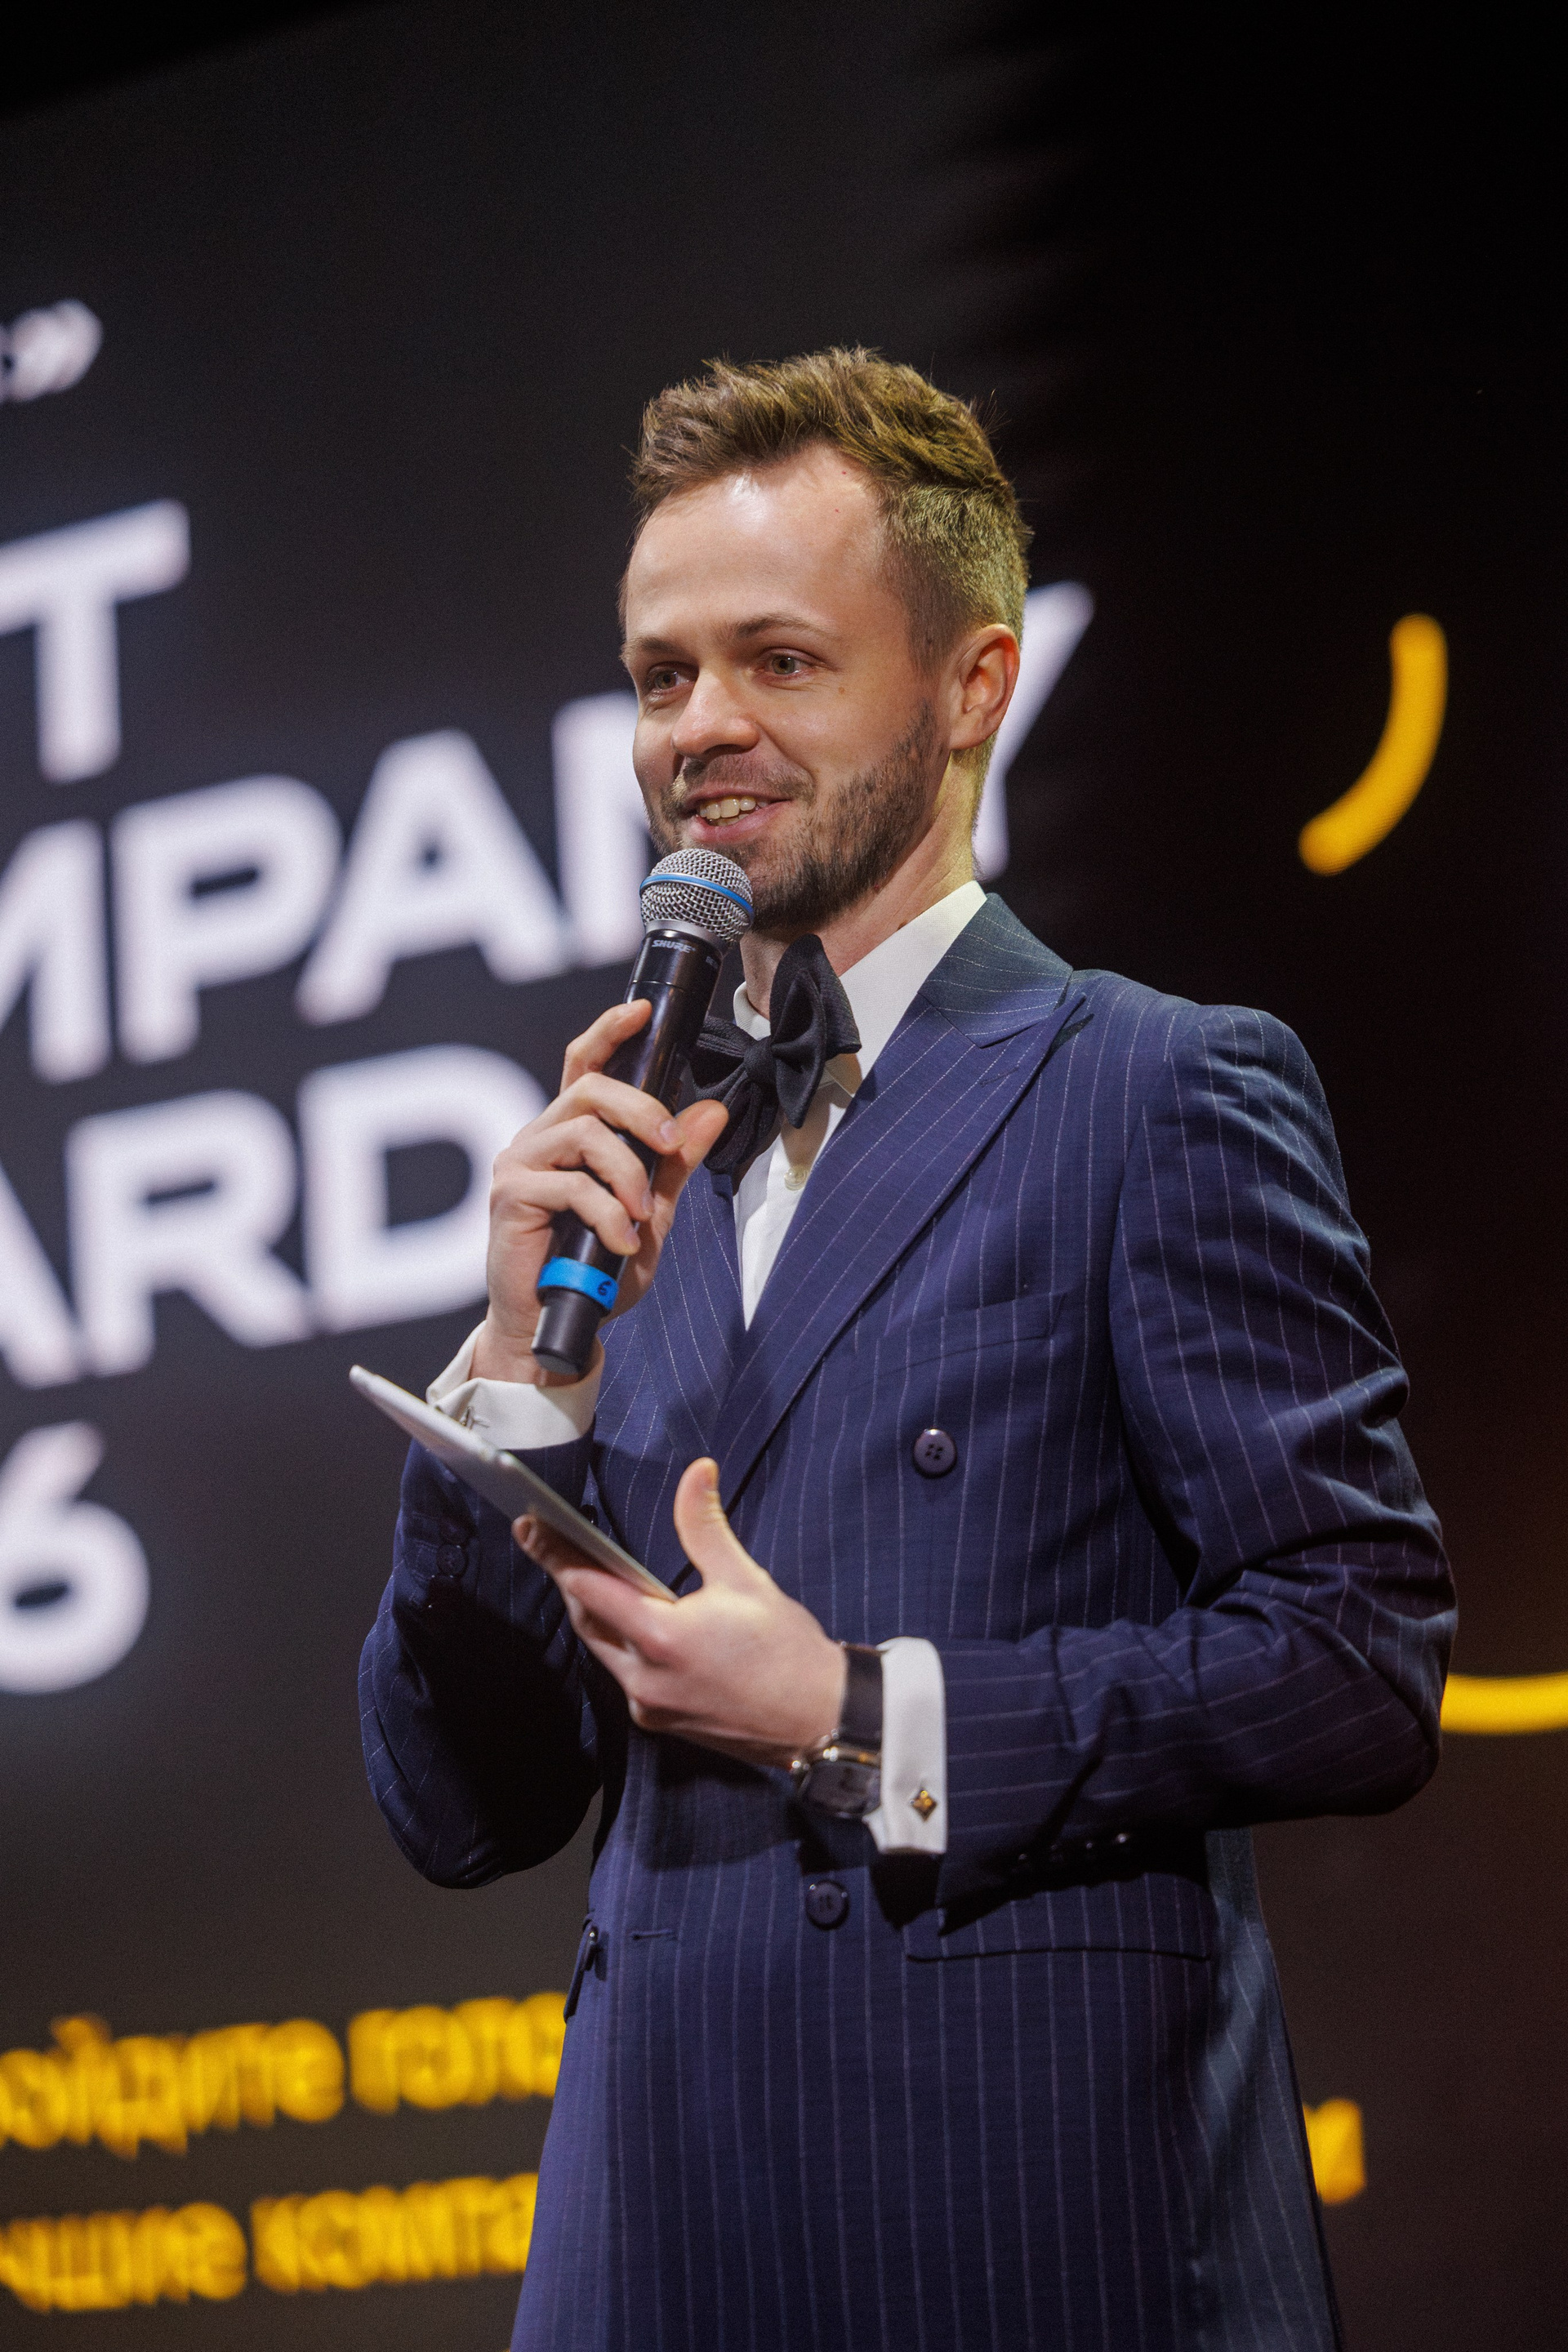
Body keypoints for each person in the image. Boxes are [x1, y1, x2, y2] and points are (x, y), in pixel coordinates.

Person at [361, 349, 1454, 2352]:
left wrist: (866, 1716)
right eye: (662, 674)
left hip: (1029, 2229)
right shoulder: (638, 1156)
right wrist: (522, 1369)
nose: (701, 728)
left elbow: (1357, 1661)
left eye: (779, 661)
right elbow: (463, 1812)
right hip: (654, 2250)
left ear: (972, 688)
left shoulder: (1156, 1086)